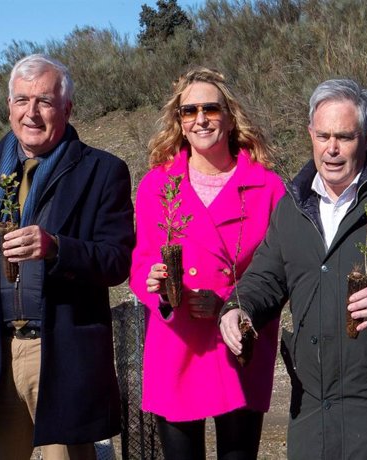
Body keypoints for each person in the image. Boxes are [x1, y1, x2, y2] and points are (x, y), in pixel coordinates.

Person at [220, 79, 367, 459]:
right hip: (312, 411)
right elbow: (266, 275)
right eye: (323, 136)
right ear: (310, 134)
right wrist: (238, 307)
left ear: (366, 137)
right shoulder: (292, 207)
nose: (331, 149)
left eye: (344, 137)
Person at [0, 54, 135, 459]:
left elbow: (117, 260)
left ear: (66, 109)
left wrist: (57, 249)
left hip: (62, 356)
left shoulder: (103, 171)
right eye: (21, 100)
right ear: (8, 105)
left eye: (44, 102)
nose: (31, 113)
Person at [129, 67, 285, 459]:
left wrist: (232, 304)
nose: (200, 119)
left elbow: (280, 269)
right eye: (188, 111)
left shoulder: (268, 187)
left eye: (210, 109)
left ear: (230, 117)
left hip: (237, 342)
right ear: (179, 123)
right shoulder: (157, 186)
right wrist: (156, 287)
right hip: (177, 343)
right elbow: (141, 258)